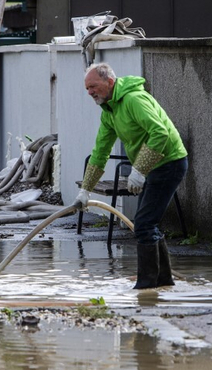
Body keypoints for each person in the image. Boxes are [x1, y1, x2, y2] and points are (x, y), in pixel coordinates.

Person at [74, 63, 188, 289]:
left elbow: (160, 133)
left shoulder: (134, 99)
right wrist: (85, 190)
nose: (90, 92)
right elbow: (100, 152)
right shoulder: (110, 110)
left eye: (93, 86)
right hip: (154, 166)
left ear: (110, 82)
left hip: (170, 163)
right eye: (87, 88)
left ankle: (146, 286)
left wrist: (139, 170)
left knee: (144, 224)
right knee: (148, 224)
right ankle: (163, 282)